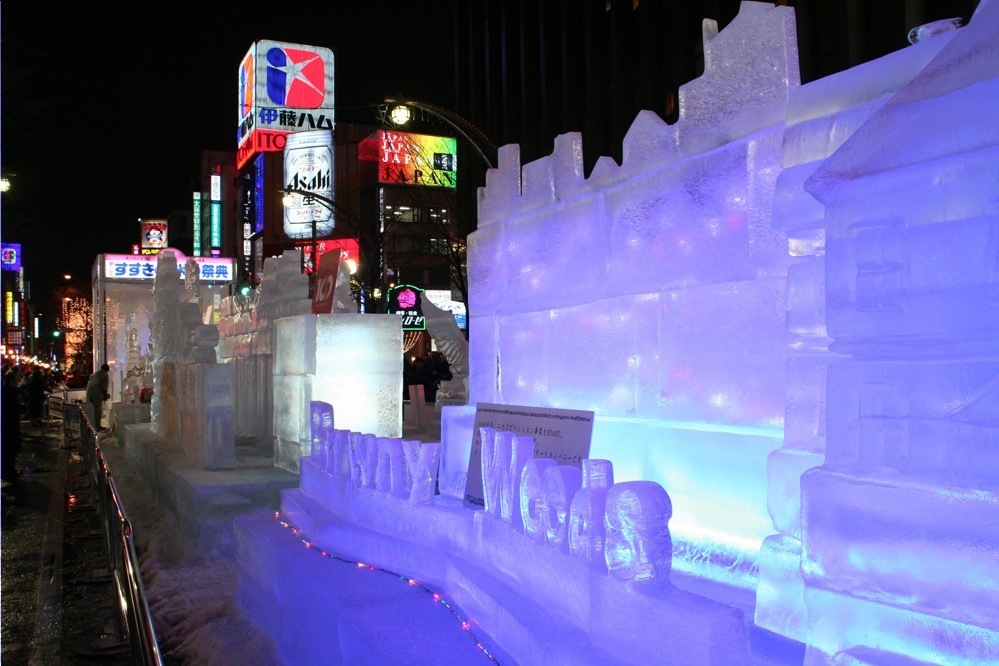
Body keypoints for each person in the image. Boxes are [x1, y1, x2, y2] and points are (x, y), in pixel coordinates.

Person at [2, 365, 23, 483]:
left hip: (9, 424)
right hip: (9, 425)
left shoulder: (7, 389)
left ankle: (9, 470)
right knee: (9, 450)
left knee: (9, 450)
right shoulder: (8, 391)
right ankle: (8, 471)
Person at [86, 363, 110, 430]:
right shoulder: (104, 374)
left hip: (89, 393)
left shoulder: (94, 374)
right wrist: (105, 394)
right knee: (97, 410)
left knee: (90, 410)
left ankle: (90, 425)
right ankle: (97, 426)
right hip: (96, 394)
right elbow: (104, 386)